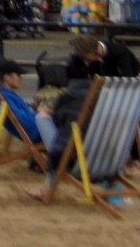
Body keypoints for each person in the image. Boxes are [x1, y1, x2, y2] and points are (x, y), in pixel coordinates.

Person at [24, 36, 99, 202]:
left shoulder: (69, 95)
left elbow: (60, 119)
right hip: (106, 152)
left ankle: (47, 191)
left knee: (43, 118)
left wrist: (48, 111)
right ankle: (47, 191)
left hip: (77, 156)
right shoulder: (99, 94)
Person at [0, 57, 42, 144]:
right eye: (18, 75)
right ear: (7, 77)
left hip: (37, 129)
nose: (21, 78)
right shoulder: (5, 98)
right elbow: (24, 121)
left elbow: (23, 113)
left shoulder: (6, 95)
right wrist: (41, 115)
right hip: (37, 132)